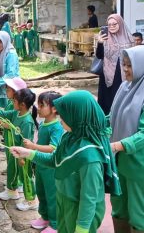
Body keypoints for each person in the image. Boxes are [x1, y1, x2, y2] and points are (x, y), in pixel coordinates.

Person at [10, 90, 121, 233]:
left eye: (64, 115)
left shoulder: (90, 158)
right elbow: (55, 159)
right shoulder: (70, 137)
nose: (60, 119)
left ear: (78, 116)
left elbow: (89, 198)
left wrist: (82, 229)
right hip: (64, 201)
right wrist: (28, 153)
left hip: (80, 213)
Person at [109, 46, 144, 233]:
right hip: (119, 160)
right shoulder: (124, 87)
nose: (126, 69)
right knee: (119, 208)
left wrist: (117, 145)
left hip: (138, 165)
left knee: (139, 214)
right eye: (124, 65)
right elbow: (112, 117)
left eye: (130, 65)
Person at [0, 88, 38, 210]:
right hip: (14, 151)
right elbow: (3, 114)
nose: (12, 102)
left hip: (22, 154)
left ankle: (31, 200)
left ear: (22, 104)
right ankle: (12, 191)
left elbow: (26, 142)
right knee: (13, 170)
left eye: (14, 100)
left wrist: (22, 157)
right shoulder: (16, 113)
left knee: (26, 177)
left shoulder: (27, 122)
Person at [22, 91, 64, 233]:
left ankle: (54, 223)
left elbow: (53, 148)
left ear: (54, 109)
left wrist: (33, 147)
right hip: (40, 166)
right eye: (38, 105)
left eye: (42, 105)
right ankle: (44, 216)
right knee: (41, 192)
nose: (38, 108)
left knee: (52, 195)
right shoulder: (43, 123)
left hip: (50, 168)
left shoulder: (56, 127)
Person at [0, 77, 27, 200]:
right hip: (9, 137)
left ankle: (12, 190)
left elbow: (12, 124)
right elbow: (4, 115)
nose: (6, 90)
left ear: (16, 93)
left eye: (8, 88)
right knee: (13, 163)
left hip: (13, 138)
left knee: (13, 164)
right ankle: (17, 184)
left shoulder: (16, 107)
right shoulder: (11, 103)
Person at [96, 14, 134, 114]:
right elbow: (99, 56)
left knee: (122, 98)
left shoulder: (129, 38)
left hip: (124, 74)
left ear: (120, 23)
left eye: (114, 24)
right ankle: (108, 122)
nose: (111, 26)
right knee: (108, 101)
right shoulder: (104, 38)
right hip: (107, 75)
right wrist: (100, 43)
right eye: (109, 25)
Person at [0, 31, 20, 108]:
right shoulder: (1, 53)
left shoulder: (10, 54)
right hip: (3, 87)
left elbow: (11, 74)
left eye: (0, 41)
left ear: (5, 41)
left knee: (10, 110)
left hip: (11, 88)